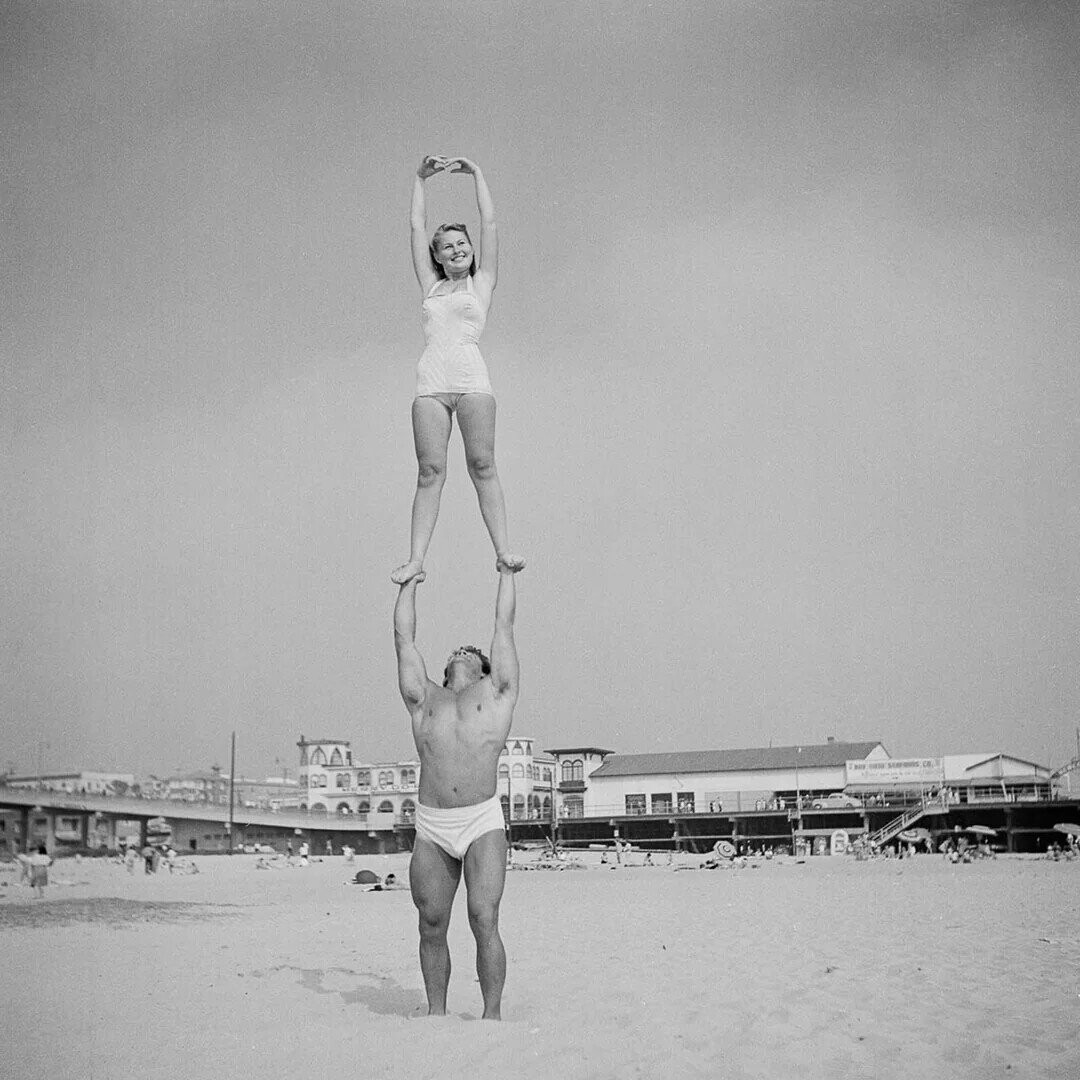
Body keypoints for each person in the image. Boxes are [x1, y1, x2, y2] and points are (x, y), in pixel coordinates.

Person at [394, 562, 521, 1019]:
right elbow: (404, 641)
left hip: (481, 820)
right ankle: (436, 1014)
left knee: (483, 917)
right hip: (432, 825)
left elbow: (503, 624)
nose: (461, 651)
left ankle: (492, 1015)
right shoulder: (424, 698)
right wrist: (408, 584)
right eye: (456, 650)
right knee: (431, 924)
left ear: (484, 667)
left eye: (471, 651)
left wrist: (506, 572)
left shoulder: (496, 694)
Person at [391, 154, 525, 585]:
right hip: (431, 383)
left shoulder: (482, 281)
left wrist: (478, 175)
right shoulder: (430, 285)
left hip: (471, 381)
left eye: (461, 243)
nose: (457, 249)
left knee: (482, 464)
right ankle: (415, 559)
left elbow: (490, 225)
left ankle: (503, 551)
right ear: (437, 255)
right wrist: (419, 179)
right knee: (430, 473)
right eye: (447, 245)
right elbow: (414, 227)